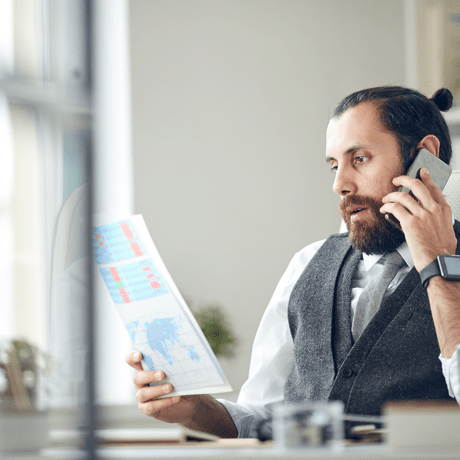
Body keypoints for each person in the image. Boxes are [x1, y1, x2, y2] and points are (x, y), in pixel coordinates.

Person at [126, 86, 460, 438]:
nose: (339, 184)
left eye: (359, 159)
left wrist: (439, 265)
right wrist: (194, 410)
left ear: (425, 158)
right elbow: (264, 418)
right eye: (334, 165)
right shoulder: (307, 264)